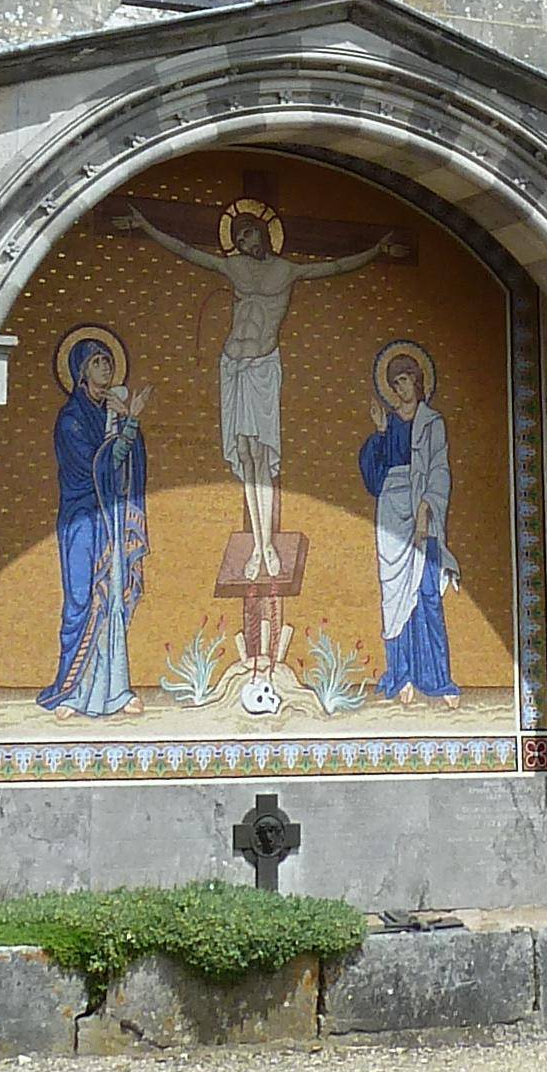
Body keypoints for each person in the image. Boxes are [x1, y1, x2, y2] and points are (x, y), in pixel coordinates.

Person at [116, 193, 406, 564]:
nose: (244, 244)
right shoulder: (232, 267)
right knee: (246, 454)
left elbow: (335, 267)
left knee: (263, 453)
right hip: (233, 365)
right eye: (239, 239)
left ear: (264, 234)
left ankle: (266, 544)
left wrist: (375, 251)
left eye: (250, 235)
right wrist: (146, 227)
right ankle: (258, 542)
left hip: (262, 367)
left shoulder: (288, 271)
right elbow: (187, 251)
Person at [38, 330, 148, 714]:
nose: (107, 366)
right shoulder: (71, 420)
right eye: (98, 361)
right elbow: (98, 465)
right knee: (82, 599)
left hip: (112, 519)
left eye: (109, 360)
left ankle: (115, 691)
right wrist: (129, 424)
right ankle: (70, 691)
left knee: (113, 596)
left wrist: (125, 425)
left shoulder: (110, 412)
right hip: (83, 519)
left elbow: (128, 463)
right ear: (82, 372)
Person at [361, 341, 459, 702]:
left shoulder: (432, 423)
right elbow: (375, 475)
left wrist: (424, 512)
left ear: (419, 383)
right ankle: (400, 675)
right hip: (390, 507)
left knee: (428, 593)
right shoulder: (388, 424)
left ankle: (438, 679)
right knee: (394, 595)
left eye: (405, 380)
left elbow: (439, 471)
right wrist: (381, 433)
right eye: (395, 381)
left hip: (422, 513)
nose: (400, 387)